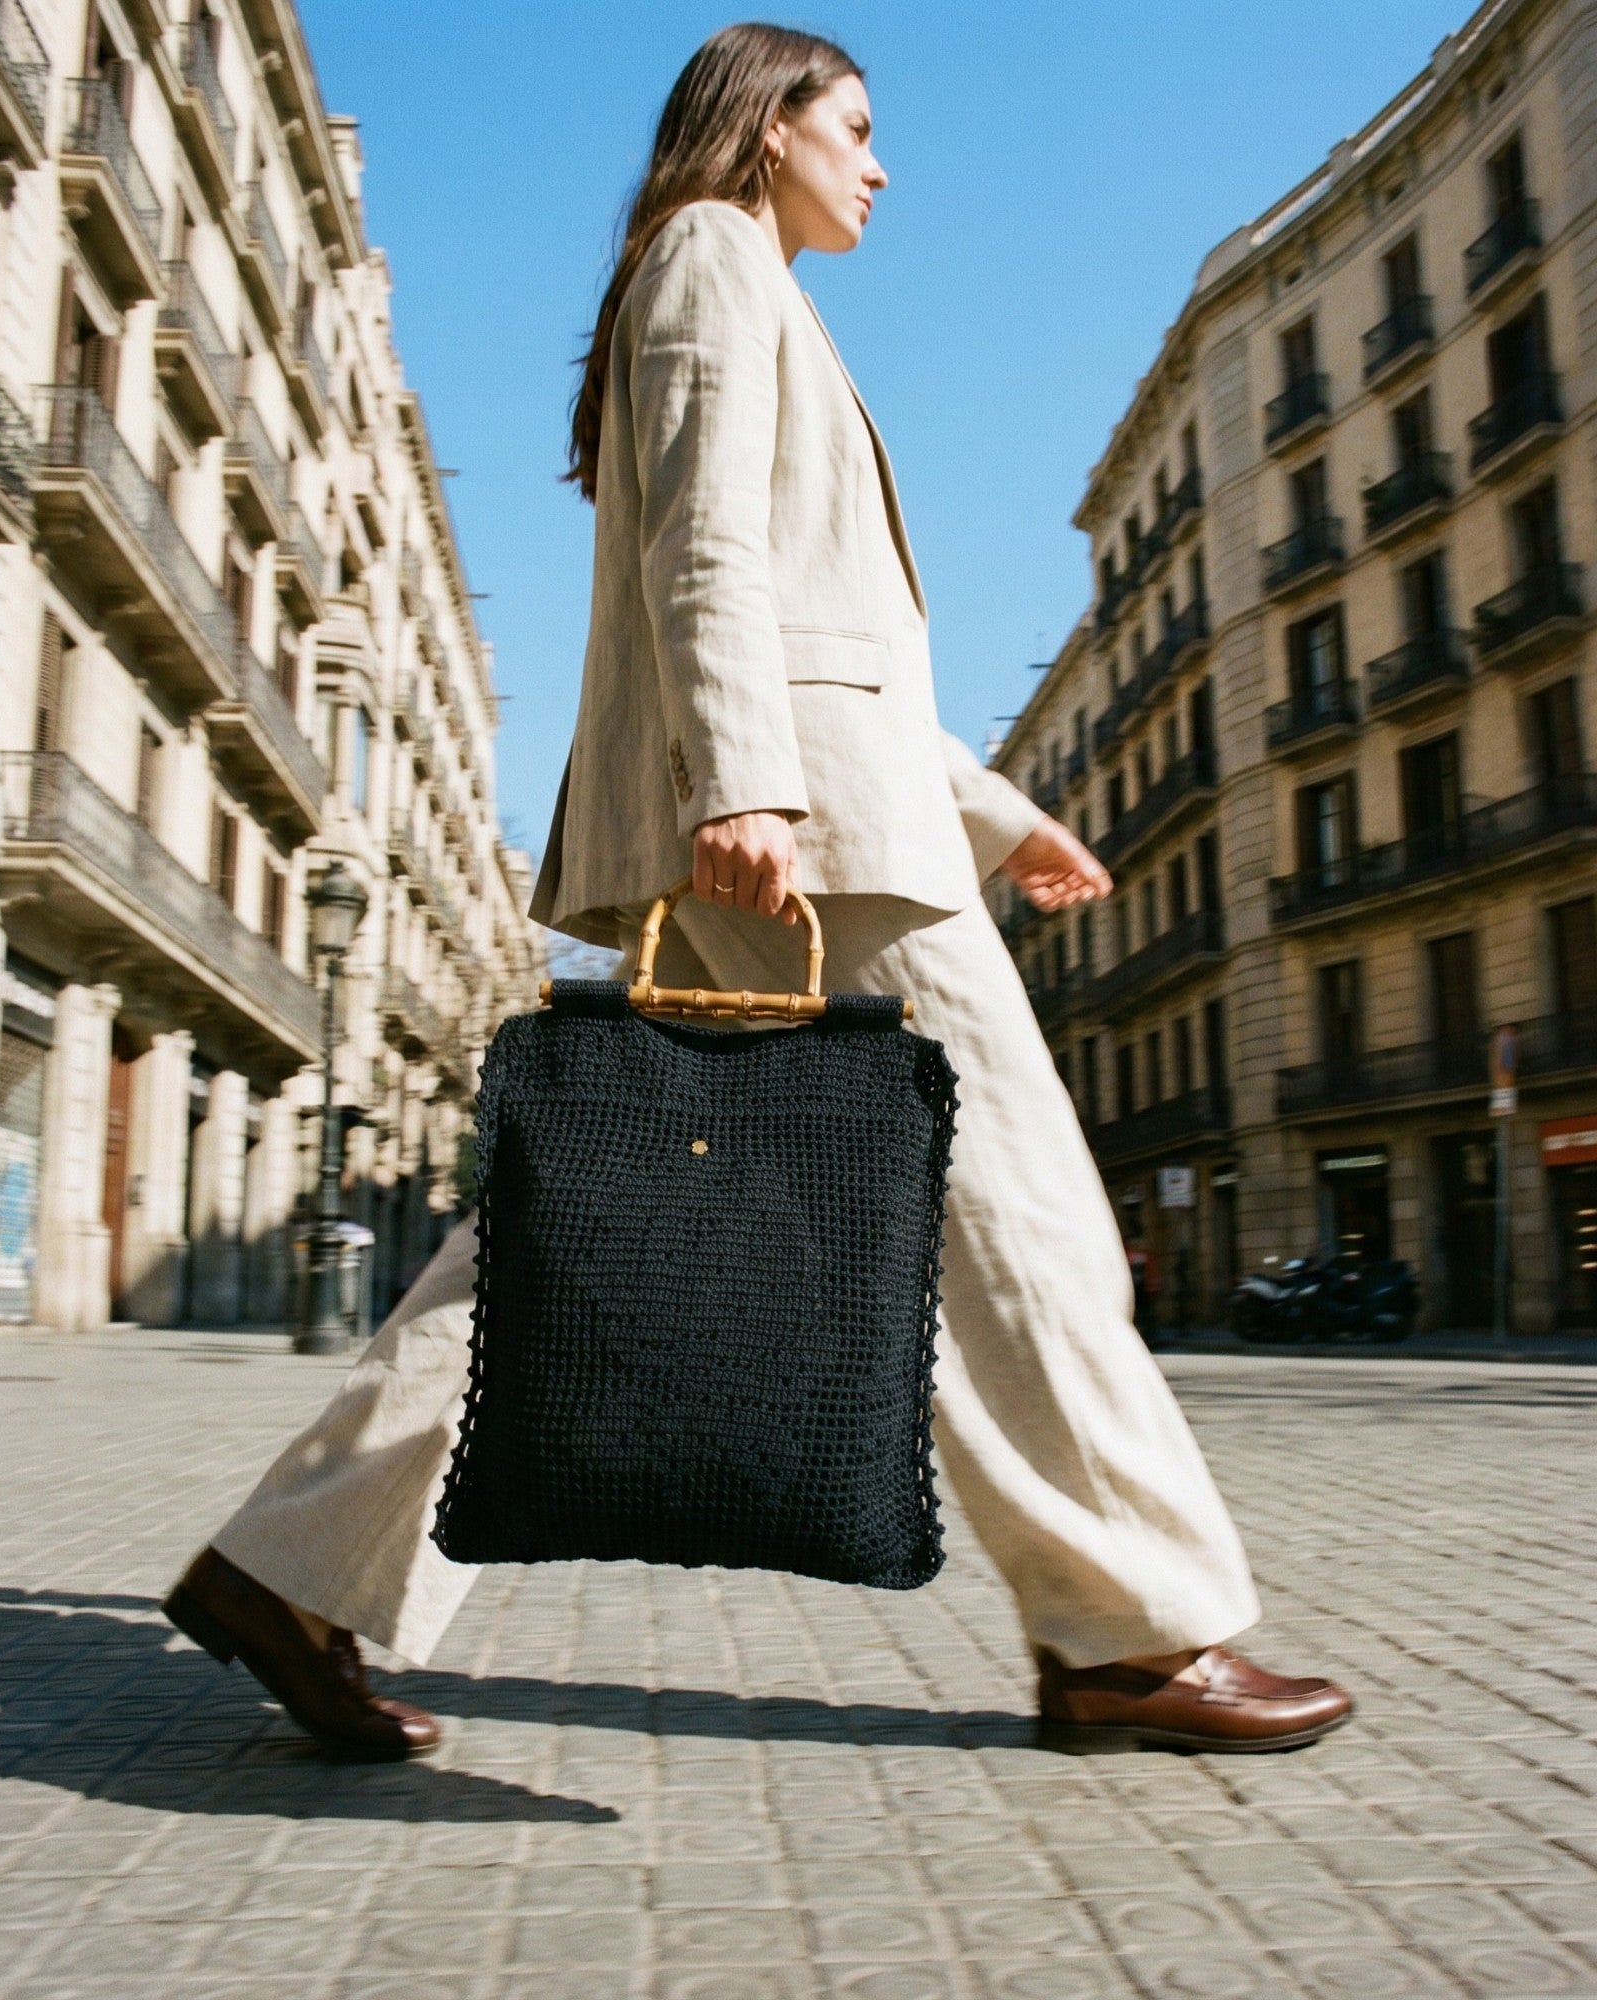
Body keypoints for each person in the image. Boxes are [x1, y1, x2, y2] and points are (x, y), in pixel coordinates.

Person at [164, 23, 1351, 1760]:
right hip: (801, 836)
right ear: (766, 123)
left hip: (821, 808)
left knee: (584, 1224)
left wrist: (1003, 814)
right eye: (856, 128)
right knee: (1016, 1214)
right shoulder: (714, 254)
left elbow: (832, 636)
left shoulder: (747, 287)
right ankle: (1131, 1637)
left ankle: (291, 1569)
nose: (880, 165)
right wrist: (743, 784)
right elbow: (701, 545)